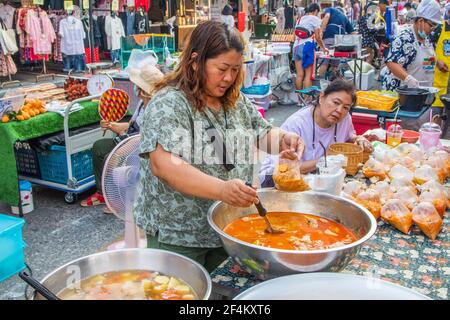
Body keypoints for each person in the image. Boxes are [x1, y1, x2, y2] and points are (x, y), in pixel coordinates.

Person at [134, 21, 305, 272]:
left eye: (235, 70)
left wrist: (284, 139)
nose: (228, 78)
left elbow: (261, 132)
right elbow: (165, 165)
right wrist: (223, 190)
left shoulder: (233, 99)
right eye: (222, 68)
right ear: (195, 61)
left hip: (227, 227)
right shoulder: (169, 102)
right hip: (179, 234)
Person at [80, 53, 164, 212]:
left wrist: (122, 147)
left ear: (144, 90)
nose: (136, 88)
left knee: (113, 158)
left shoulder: (156, 108)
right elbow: (130, 125)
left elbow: (147, 138)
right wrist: (111, 125)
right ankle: (102, 193)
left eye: (138, 86)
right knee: (99, 147)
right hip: (129, 138)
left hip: (142, 145)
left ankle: (120, 199)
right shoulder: (141, 103)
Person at [259, 79, 373, 186]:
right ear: (322, 97)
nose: (339, 110)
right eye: (336, 102)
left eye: (346, 107)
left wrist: (358, 138)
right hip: (277, 180)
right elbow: (287, 169)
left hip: (318, 179)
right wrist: (326, 158)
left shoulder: (345, 119)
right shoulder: (297, 124)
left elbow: (349, 135)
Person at [381, 0, 441, 91]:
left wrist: (437, 62)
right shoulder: (405, 37)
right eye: (432, 25)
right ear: (420, 21)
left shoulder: (426, 39)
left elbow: (426, 59)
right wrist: (408, 79)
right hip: (404, 94)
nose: (433, 30)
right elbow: (391, 62)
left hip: (421, 93)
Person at [292, 3, 328, 90]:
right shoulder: (315, 19)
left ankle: (300, 100)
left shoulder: (299, 19)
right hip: (307, 46)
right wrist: (323, 48)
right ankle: (307, 100)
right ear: (316, 11)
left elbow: (294, 37)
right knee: (308, 75)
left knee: (299, 75)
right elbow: (318, 37)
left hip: (296, 47)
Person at [319, 5, 354, 75]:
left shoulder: (330, 9)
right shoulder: (345, 17)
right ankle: (336, 83)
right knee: (335, 65)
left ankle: (320, 82)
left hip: (328, 39)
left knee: (324, 62)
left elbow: (326, 16)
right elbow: (353, 32)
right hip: (339, 43)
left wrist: (321, 31)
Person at [432, 2, 450, 110]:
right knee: (437, 112)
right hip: (440, 79)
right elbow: (426, 49)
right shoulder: (439, 28)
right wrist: (437, 62)